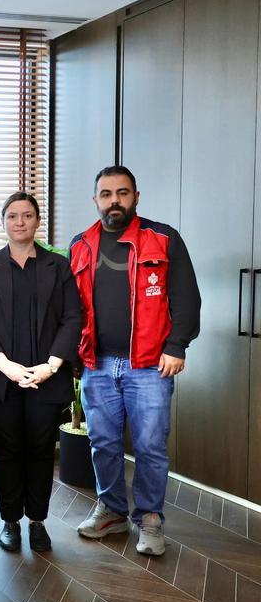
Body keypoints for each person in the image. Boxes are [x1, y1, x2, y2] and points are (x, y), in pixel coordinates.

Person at [71, 165, 200, 556]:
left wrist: (177, 346)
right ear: (96, 200)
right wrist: (73, 356)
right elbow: (71, 308)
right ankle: (111, 510)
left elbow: (187, 297)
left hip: (149, 366)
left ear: (136, 197)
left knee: (150, 446)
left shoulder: (163, 238)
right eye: (106, 194)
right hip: (96, 364)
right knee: (102, 442)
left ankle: (150, 519)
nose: (115, 201)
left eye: (122, 193)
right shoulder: (80, 245)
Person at [0, 192, 82, 552]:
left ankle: (38, 521)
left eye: (27, 215)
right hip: (1, 378)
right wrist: (7, 367)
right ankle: (10, 521)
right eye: (12, 216)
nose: (20, 222)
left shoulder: (58, 267)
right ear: (3, 222)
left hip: (46, 377)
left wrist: (50, 366)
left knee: (42, 450)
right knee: (8, 450)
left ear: (37, 221)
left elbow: (72, 318)